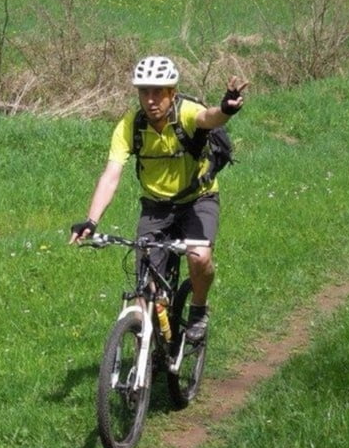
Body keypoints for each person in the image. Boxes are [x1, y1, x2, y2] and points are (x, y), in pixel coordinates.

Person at [70, 55, 247, 342]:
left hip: (197, 200)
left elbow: (209, 117)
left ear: (172, 93)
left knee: (199, 257)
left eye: (158, 92)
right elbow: (111, 175)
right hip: (155, 207)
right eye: (144, 91)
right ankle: (146, 358)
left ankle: (199, 309)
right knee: (145, 290)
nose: (150, 99)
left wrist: (226, 108)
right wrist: (92, 219)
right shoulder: (130, 125)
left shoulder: (187, 112)